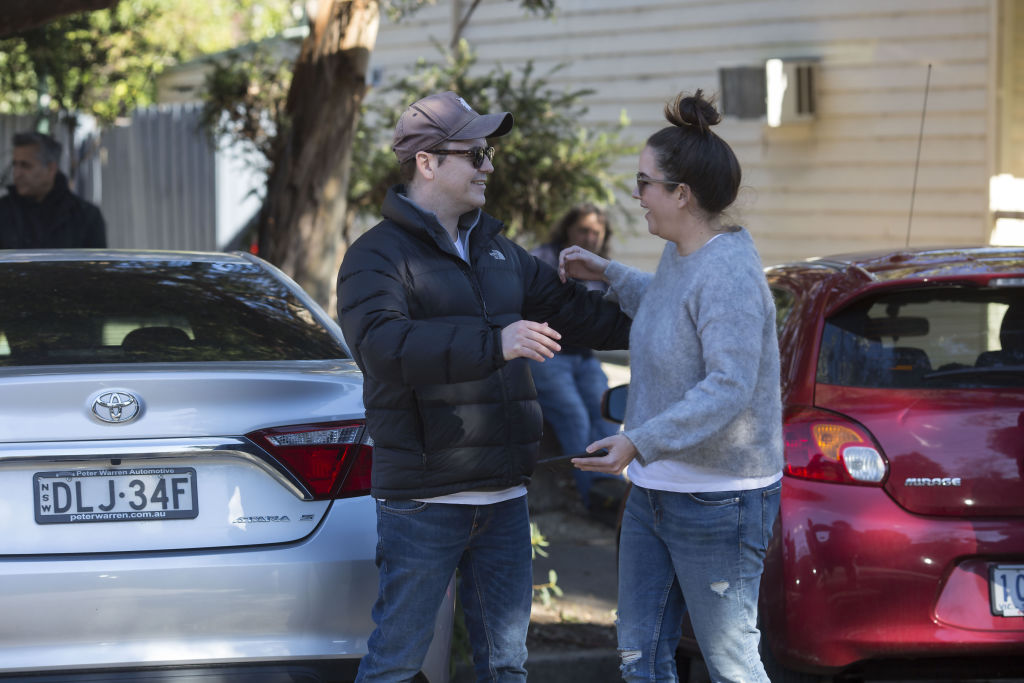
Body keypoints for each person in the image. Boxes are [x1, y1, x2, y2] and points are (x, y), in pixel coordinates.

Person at [336, 91, 631, 682]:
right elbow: (384, 350)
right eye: (474, 154)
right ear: (428, 162)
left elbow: (582, 315)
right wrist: (496, 342)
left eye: (488, 152)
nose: (488, 165)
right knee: (395, 661)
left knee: (507, 666)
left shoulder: (500, 251)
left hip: (503, 498)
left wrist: (676, 300)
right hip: (424, 500)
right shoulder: (374, 257)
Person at [560, 89, 784, 683]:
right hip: (656, 490)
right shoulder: (682, 255)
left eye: (644, 184)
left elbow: (729, 386)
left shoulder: (729, 271)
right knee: (640, 656)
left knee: (733, 664)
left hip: (721, 500)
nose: (637, 198)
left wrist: (639, 440)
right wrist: (606, 272)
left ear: (680, 194)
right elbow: (667, 308)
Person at [529, 203, 625, 514]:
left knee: (605, 414)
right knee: (574, 416)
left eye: (596, 232)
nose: (590, 236)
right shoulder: (542, 258)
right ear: (568, 229)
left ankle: (607, 491)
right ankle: (592, 501)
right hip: (547, 354)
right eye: (583, 229)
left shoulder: (600, 266)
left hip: (584, 356)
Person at [0, 131, 107, 249]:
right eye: (15, 164)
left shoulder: (86, 217)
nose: (17, 173)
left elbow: (95, 265)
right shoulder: (3, 211)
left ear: (51, 168)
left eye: (26, 165)